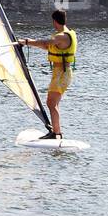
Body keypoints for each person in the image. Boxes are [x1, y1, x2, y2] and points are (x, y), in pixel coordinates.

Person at [19, 9, 77, 140]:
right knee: (53, 103)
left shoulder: (62, 36)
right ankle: (56, 132)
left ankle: (56, 133)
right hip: (60, 74)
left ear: (55, 21)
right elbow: (46, 46)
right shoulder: (62, 36)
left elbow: (45, 43)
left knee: (51, 103)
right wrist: (28, 43)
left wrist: (27, 41)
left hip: (62, 74)